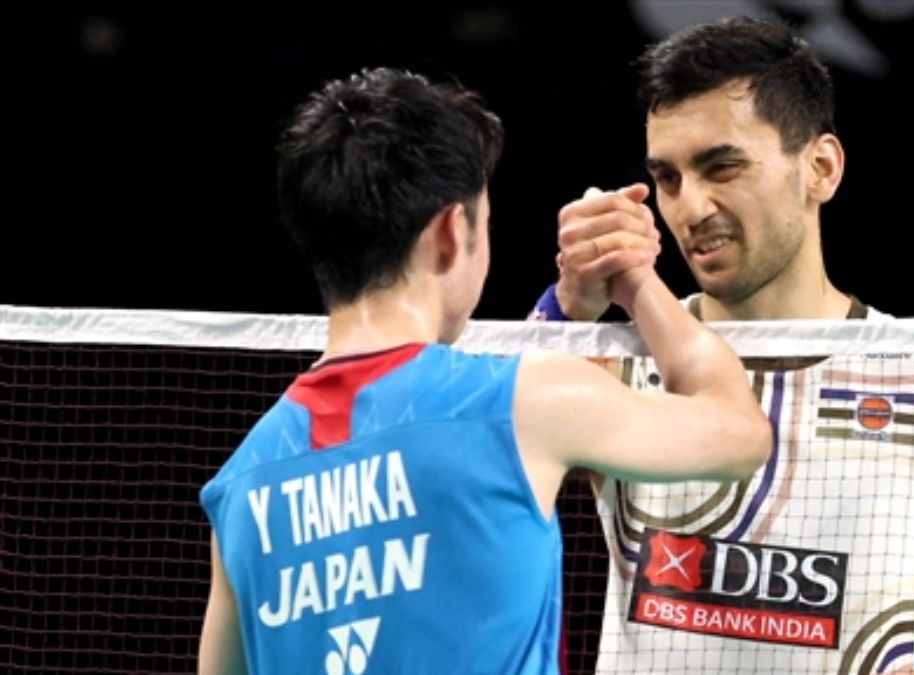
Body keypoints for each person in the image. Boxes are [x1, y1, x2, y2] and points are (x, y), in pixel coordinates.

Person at [195, 66, 772, 675]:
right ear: (451, 232)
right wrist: (635, 280)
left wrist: (568, 306)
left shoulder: (241, 486)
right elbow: (738, 432)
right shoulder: (525, 401)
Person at [531, 16, 914, 675]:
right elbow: (471, 483)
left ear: (820, 168)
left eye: (721, 166)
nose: (691, 208)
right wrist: (564, 311)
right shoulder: (620, 365)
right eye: (667, 179)